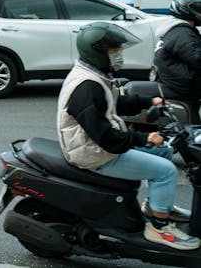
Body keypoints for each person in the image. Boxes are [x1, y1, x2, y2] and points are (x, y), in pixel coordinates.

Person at [58, 21, 198, 250]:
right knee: (166, 171)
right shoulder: (86, 87)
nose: (119, 55)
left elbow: (115, 102)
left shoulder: (95, 75)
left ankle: (157, 206)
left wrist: (149, 101)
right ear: (98, 52)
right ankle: (159, 228)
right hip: (94, 153)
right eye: (115, 51)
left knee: (163, 150)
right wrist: (144, 138)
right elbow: (106, 138)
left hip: (102, 145)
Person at [154, 0, 201, 120]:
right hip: (184, 83)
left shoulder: (176, 29)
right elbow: (197, 58)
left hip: (175, 79)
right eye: (197, 9)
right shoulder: (183, 33)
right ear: (186, 10)